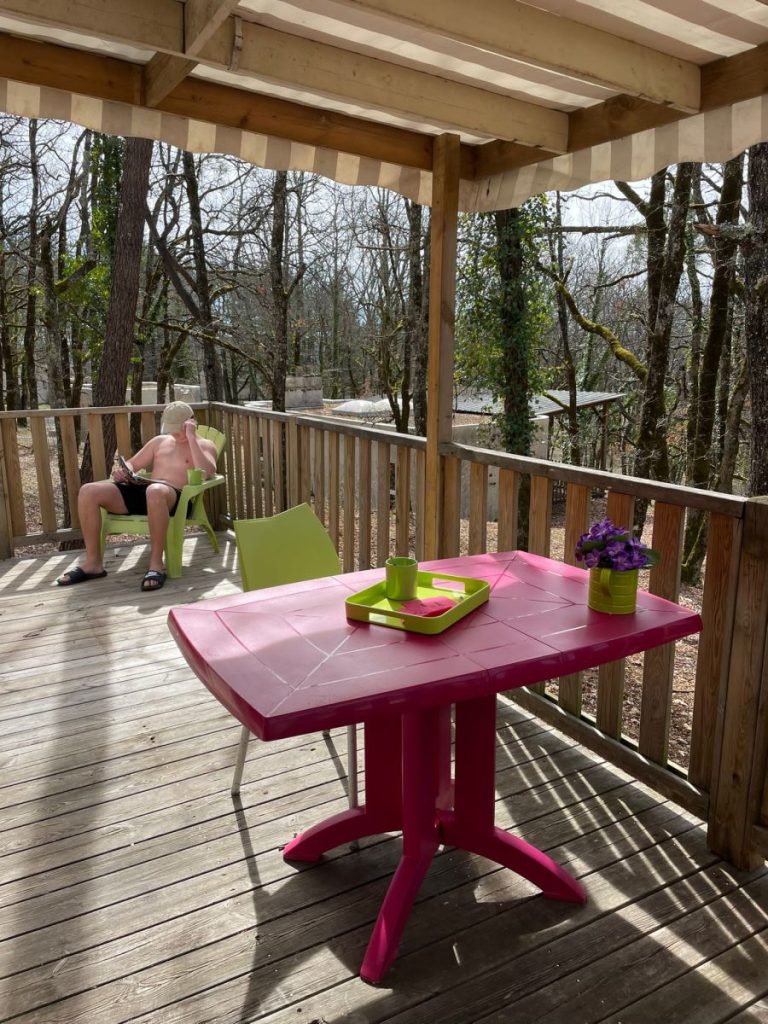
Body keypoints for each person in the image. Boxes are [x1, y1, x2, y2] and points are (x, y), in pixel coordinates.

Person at [57, 401, 218, 592]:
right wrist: (124, 472)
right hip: (145, 491)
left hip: (174, 499)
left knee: (155, 491)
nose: (174, 433)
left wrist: (191, 437)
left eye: (179, 429)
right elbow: (133, 464)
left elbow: (207, 472)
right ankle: (93, 564)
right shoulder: (159, 442)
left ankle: (156, 565)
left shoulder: (204, 445)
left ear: (191, 422)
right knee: (88, 491)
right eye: (172, 429)